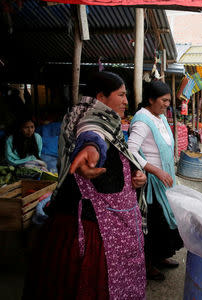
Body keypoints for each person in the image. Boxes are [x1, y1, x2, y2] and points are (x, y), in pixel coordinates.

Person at [23, 71, 147, 299]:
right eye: (121, 95)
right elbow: (92, 133)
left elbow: (116, 155)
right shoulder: (90, 118)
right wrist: (92, 149)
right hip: (89, 228)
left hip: (106, 222)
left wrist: (136, 175)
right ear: (101, 97)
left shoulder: (104, 121)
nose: (126, 101)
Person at [128, 80, 183, 281]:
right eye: (164, 100)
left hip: (165, 180)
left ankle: (161, 257)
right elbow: (130, 150)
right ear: (151, 99)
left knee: (166, 221)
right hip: (150, 184)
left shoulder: (158, 116)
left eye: (169, 100)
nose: (167, 104)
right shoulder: (142, 120)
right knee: (153, 224)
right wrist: (156, 171)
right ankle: (148, 265)